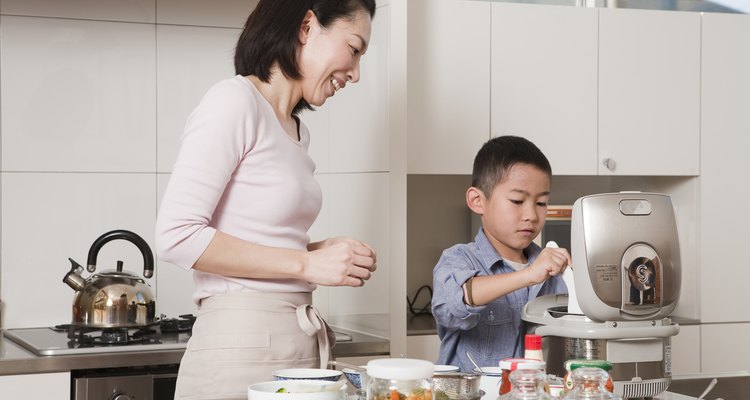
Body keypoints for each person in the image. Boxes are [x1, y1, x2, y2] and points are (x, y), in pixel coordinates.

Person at [154, 0, 377, 398]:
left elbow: (253, 237)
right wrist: (307, 262)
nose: (356, 73)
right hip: (240, 348)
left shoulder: (295, 129)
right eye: (354, 49)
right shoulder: (234, 101)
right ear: (308, 26)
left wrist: (316, 251)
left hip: (296, 345)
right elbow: (176, 234)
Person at [431, 135, 571, 372]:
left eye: (541, 203)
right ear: (477, 201)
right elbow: (455, 302)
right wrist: (529, 275)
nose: (531, 215)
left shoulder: (555, 271)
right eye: (517, 201)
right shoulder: (459, 258)